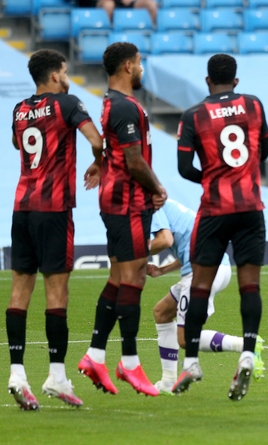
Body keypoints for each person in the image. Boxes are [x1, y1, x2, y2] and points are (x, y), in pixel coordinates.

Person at [6, 49, 104, 410]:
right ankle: (57, 376)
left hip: (22, 208)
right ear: (54, 76)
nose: (67, 76)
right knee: (56, 294)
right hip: (54, 209)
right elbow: (97, 139)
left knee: (19, 291)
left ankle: (17, 373)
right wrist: (97, 164)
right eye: (64, 71)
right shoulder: (67, 103)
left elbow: (18, 143)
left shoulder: (19, 109)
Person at [172, 54, 268, 401]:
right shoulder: (254, 106)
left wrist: (212, 179)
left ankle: (193, 362)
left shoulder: (193, 115)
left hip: (214, 211)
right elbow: (264, 151)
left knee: (199, 285)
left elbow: (184, 167)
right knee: (250, 285)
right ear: (236, 81)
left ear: (207, 81)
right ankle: (246, 351)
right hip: (250, 208)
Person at [78, 42, 167, 397]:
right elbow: (133, 161)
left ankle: (95, 355)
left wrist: (100, 162)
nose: (143, 69)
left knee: (118, 278)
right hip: (127, 203)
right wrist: (157, 188)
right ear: (128, 66)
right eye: (140, 63)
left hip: (117, 201)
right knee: (135, 277)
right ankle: (129, 363)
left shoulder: (111, 104)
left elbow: (107, 148)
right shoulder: (124, 107)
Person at [147, 199, 265, 395]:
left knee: (185, 339)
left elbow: (165, 240)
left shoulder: (153, 205)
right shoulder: (170, 207)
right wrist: (162, 270)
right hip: (211, 266)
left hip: (203, 271)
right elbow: (189, 246)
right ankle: (168, 381)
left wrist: (130, 251)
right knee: (162, 312)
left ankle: (246, 345)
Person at [76, 0, 158, 25]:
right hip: (100, 3)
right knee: (109, 5)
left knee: (151, 5)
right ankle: (107, 36)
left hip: (125, 4)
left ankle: (146, 36)